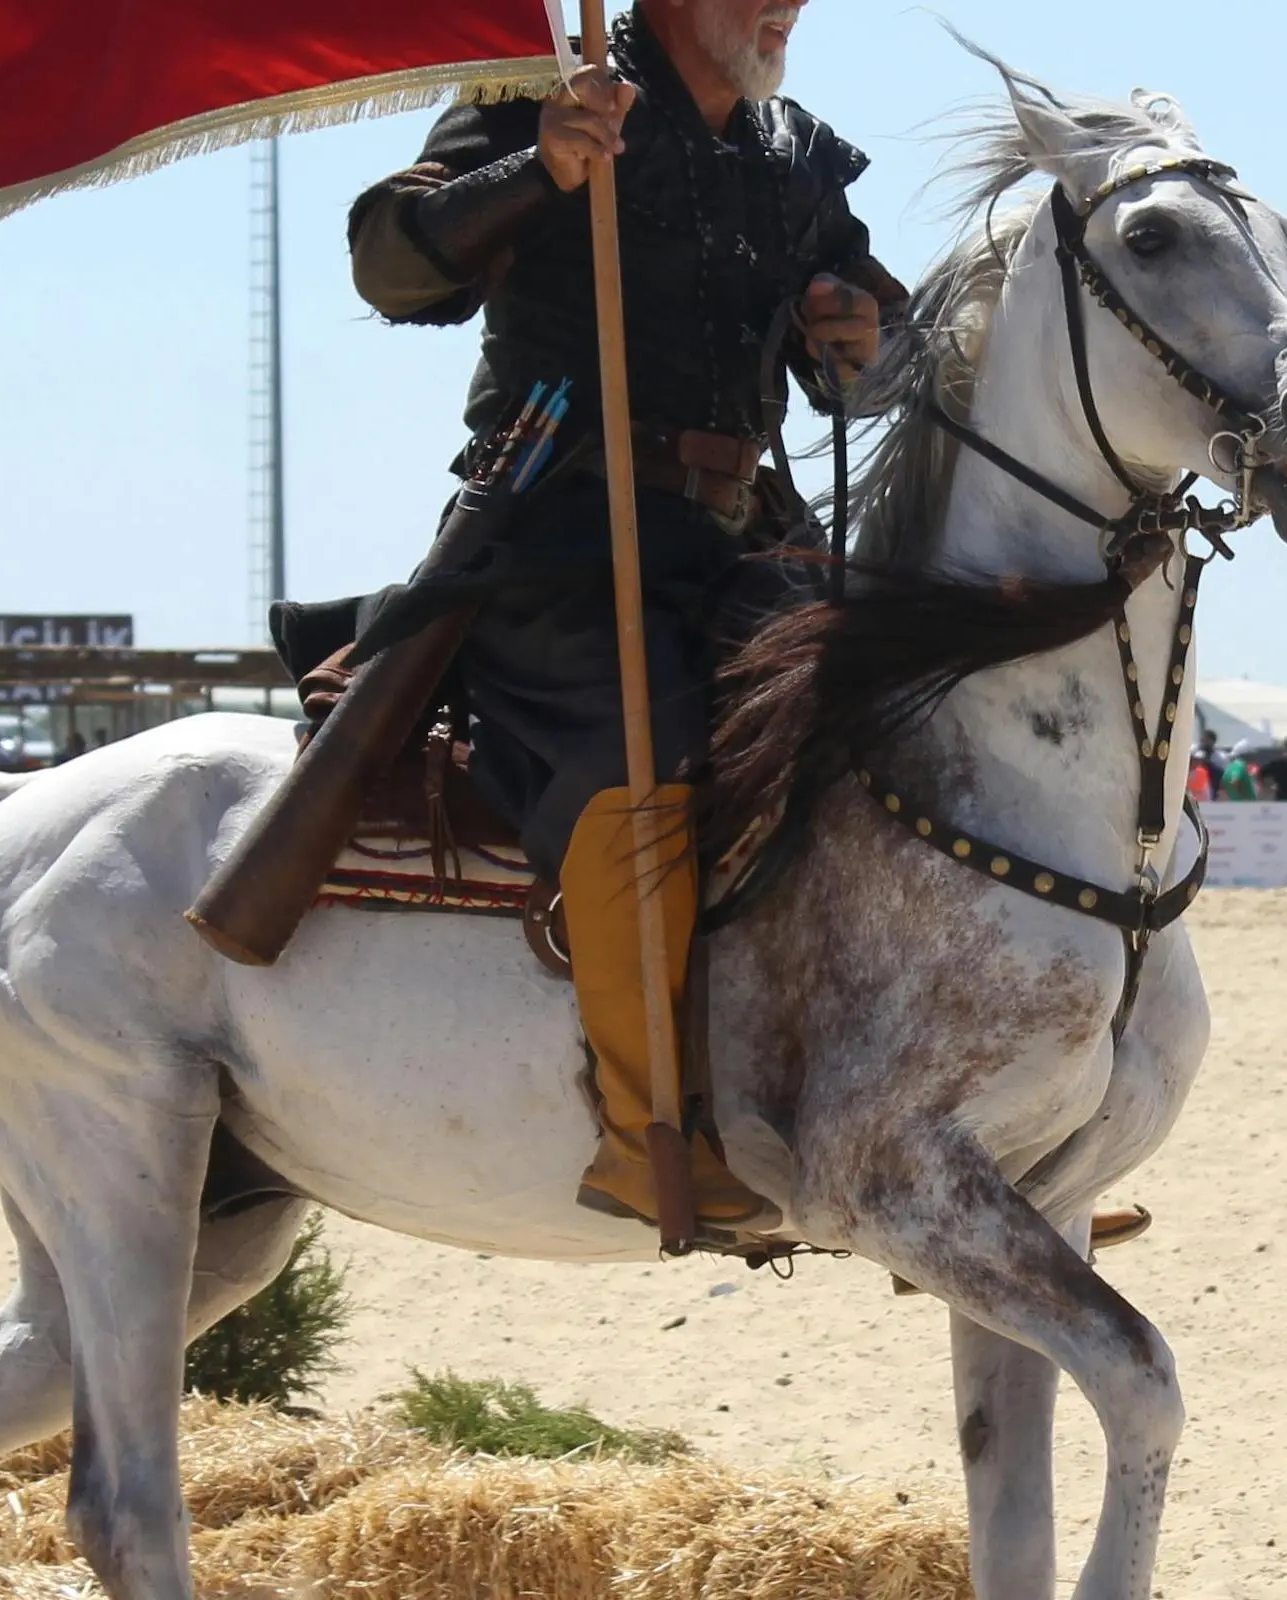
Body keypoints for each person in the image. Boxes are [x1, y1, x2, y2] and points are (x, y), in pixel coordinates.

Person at [346, 0, 890, 1230]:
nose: (791, 5)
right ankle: (653, 1136)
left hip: (748, 536)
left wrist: (852, 333)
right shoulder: (539, 89)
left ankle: (922, 1120)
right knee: (635, 764)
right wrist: (539, 167)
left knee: (910, 744)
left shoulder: (796, 149)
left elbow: (860, 333)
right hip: (558, 533)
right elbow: (389, 262)